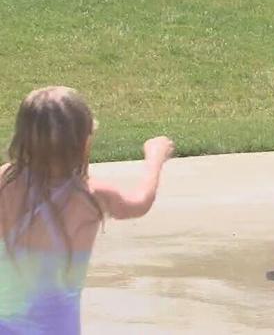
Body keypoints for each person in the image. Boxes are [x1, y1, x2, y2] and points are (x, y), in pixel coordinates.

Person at [0, 86, 175, 334]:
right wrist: (154, 159)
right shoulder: (91, 196)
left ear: (21, 138)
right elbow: (140, 201)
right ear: (84, 142)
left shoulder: (5, 182)